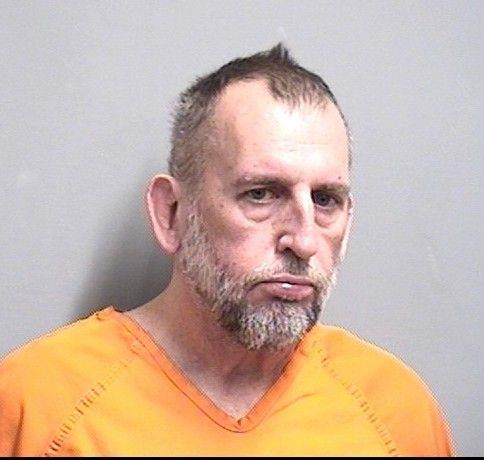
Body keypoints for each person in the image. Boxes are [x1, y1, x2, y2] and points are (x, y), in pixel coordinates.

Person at [0, 44, 454, 456]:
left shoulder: (397, 412)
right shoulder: (37, 404)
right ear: (172, 213)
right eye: (261, 194)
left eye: (325, 200)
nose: (304, 240)